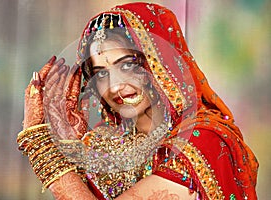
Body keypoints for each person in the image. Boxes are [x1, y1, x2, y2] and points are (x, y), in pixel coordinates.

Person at [17, 2, 259, 200]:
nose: (115, 86)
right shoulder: (104, 144)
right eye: (101, 73)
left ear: (162, 64)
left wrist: (39, 144)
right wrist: (71, 145)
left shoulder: (202, 140)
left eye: (128, 65)